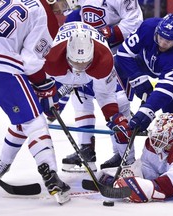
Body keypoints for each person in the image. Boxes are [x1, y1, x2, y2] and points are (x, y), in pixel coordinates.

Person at [0, 0, 78, 204]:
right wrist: (45, 86)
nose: (63, 9)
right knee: (33, 120)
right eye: (64, 3)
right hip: (0, 66)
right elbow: (31, 64)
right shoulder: (47, 18)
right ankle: (51, 176)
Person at [55, 0, 143, 172]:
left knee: (118, 103)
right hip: (85, 53)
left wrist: (108, 33)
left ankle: (125, 156)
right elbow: (70, 11)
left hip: (117, 55)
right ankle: (86, 149)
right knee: (81, 97)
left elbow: (135, 22)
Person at [115, 13, 173, 140]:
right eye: (160, 38)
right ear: (157, 30)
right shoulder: (148, 27)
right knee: (117, 64)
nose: (162, 44)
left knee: (172, 104)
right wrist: (138, 81)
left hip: (169, 70)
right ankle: (122, 107)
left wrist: (147, 111)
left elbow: (166, 90)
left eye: (168, 41)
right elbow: (123, 54)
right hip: (144, 61)